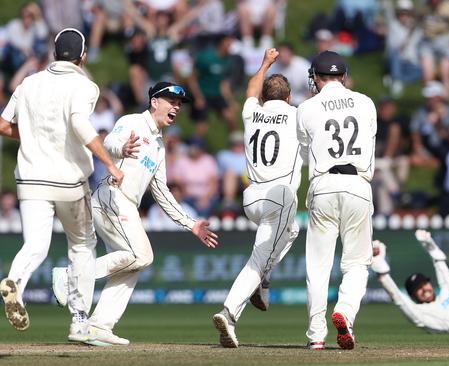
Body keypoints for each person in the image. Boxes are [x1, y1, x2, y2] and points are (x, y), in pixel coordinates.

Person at [51, 81, 218, 346]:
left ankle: (98, 326)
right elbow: (110, 141)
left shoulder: (160, 146)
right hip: (111, 197)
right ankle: (71, 276)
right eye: (171, 102)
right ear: (154, 102)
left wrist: (190, 224)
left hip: (125, 203)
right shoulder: (132, 121)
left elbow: (161, 190)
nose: (176, 107)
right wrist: (121, 149)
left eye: (179, 104)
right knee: (142, 255)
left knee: (133, 265)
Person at [0, 28, 124, 341]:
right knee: (82, 246)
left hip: (30, 179)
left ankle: (14, 281)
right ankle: (79, 320)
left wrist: (30, 134)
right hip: (68, 180)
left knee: (35, 246)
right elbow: (79, 123)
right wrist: (109, 163)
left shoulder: (29, 82)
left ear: (55, 53)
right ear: (83, 56)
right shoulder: (84, 85)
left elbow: (3, 124)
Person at [212, 48, 303, 348]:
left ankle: (262, 282)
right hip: (280, 196)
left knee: (292, 230)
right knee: (258, 258)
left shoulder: (253, 112)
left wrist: (264, 63)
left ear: (264, 98)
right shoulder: (298, 115)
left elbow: (251, 88)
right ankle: (230, 313)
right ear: (289, 98)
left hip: (251, 198)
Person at [297, 51, 376, 350]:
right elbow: (370, 141)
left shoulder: (306, 107)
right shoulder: (366, 102)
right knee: (356, 263)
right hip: (358, 183)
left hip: (323, 184)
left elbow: (306, 153)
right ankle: (345, 311)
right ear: (343, 76)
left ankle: (316, 336)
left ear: (316, 78)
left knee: (318, 267)